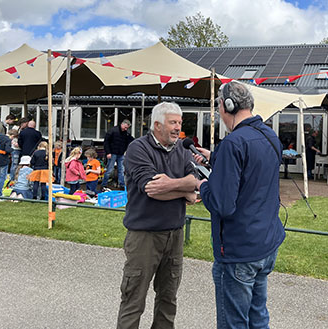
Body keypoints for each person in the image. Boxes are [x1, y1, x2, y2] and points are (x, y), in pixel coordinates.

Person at [194, 81, 286, 329]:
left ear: (226, 106)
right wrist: (215, 158)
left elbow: (222, 205)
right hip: (265, 244)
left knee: (234, 324)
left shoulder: (232, 143)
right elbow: (252, 170)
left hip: (238, 251)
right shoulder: (269, 136)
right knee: (258, 318)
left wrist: (202, 184)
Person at [116, 102, 198, 329]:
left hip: (175, 234)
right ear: (157, 125)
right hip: (144, 236)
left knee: (168, 299)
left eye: (179, 123)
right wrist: (186, 192)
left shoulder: (182, 148)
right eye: (173, 122)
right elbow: (152, 190)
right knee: (134, 299)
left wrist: (174, 185)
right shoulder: (138, 148)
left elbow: (196, 180)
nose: (177, 128)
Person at [103, 119, 134, 190]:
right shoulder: (113, 131)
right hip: (112, 152)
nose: (126, 129)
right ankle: (104, 184)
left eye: (127, 128)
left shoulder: (126, 133)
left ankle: (122, 185)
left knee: (121, 170)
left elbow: (130, 140)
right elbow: (106, 142)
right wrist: (108, 152)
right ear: (122, 124)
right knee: (109, 170)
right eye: (125, 127)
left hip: (120, 153)